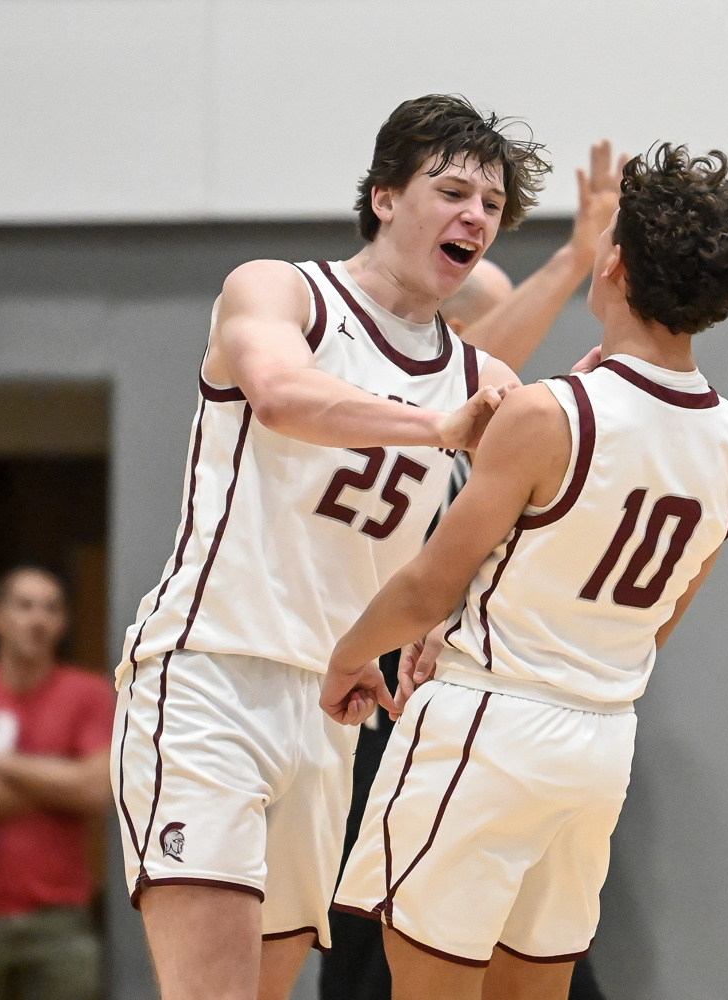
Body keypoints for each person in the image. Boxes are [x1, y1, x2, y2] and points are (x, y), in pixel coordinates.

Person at [320, 240, 728, 1000]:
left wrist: (348, 654)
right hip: (600, 739)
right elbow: (658, 622)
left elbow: (428, 588)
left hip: (489, 726)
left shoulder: (548, 409)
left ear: (618, 265)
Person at [111, 94, 551, 1000]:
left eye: (492, 205)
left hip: (330, 707)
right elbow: (277, 393)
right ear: (386, 196)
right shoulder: (282, 290)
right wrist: (435, 429)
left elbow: (536, 520)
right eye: (453, 189)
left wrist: (449, 625)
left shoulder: (485, 382)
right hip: (208, 679)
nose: (475, 215)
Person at [0, 566, 115, 1000]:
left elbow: (99, 790)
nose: (39, 619)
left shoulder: (90, 694)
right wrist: (60, 778)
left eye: (52, 608)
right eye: (25, 606)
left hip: (62, 921)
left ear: (64, 621)